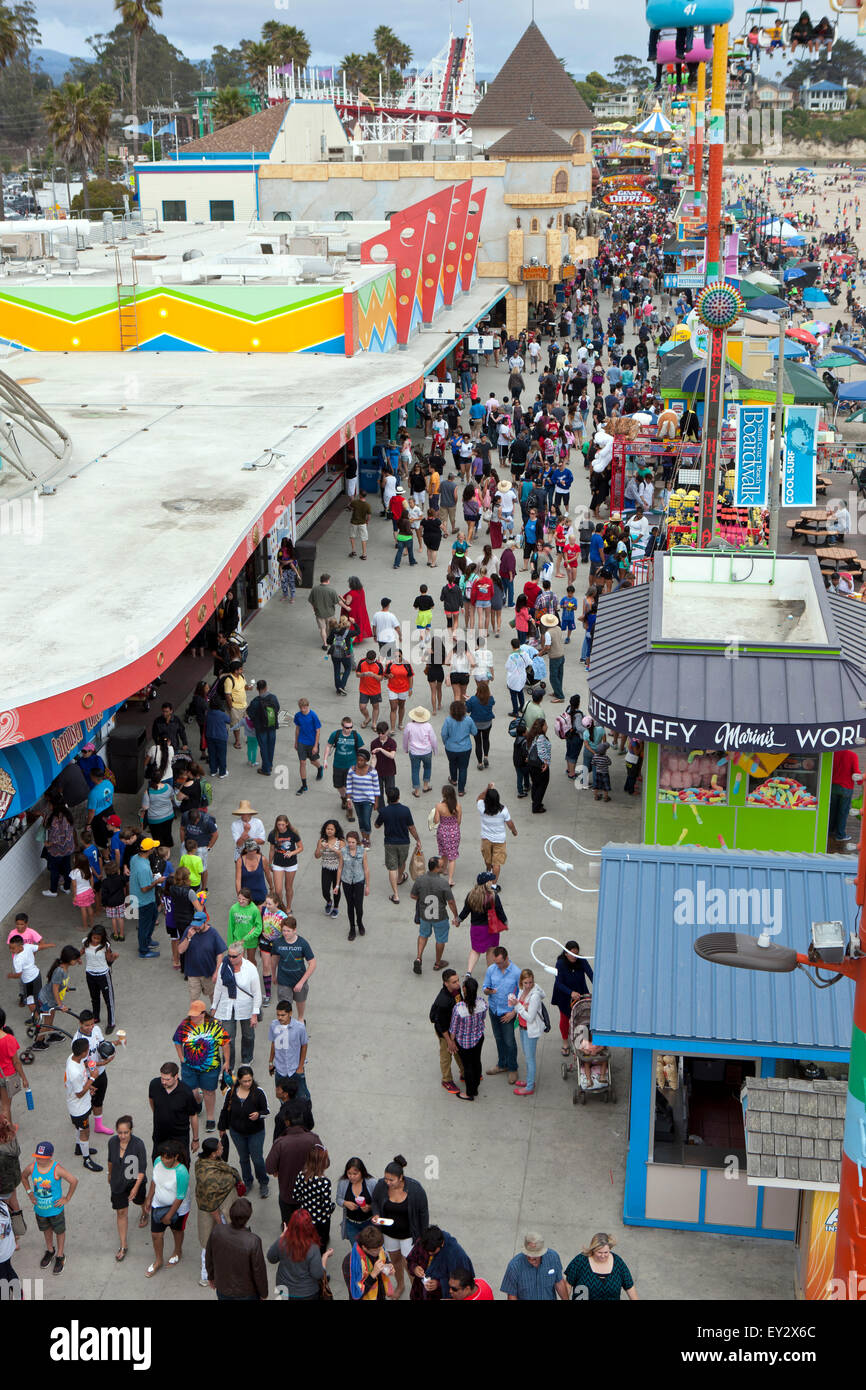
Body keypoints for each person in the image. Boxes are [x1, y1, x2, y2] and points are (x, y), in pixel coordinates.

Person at [370, 1156, 430, 1299]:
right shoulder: (381, 1185)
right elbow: (375, 1202)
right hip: (389, 1233)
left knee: (410, 1265)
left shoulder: (415, 1189)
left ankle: (415, 1291)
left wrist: (422, 1236)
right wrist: (376, 1214)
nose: (388, 1182)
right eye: (386, 1179)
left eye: (391, 1180)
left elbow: (423, 1213)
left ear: (401, 1177)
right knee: (395, 1260)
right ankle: (400, 1285)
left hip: (409, 1235)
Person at [21, 1140, 78, 1277]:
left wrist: (67, 1198)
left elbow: (73, 1181)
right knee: (46, 1229)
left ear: (50, 1156)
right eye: (37, 1157)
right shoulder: (31, 1167)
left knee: (59, 1231)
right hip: (40, 1209)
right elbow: (23, 1177)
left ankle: (60, 1255)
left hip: (55, 1210)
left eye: (43, 1158)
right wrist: (29, 1193)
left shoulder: (56, 1169)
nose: (39, 1160)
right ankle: (50, 1250)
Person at [173, 999, 230, 1132]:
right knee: (191, 1092)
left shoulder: (215, 1025)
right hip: (189, 1067)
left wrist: (227, 1061)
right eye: (191, 1014)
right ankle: (198, 1102)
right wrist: (181, 1058)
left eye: (195, 1014)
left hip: (210, 1068)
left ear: (203, 1013)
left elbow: (225, 1043)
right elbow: (177, 1040)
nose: (192, 1016)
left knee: (209, 1092)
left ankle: (210, 1117)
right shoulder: (185, 1025)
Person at [194, 1138, 242, 1286]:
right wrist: (221, 1223)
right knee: (209, 1245)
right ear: (213, 1154)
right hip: (215, 1213)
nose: (222, 1149)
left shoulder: (205, 1163)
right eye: (220, 1148)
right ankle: (206, 1275)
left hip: (222, 1208)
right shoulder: (208, 1177)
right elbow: (211, 1204)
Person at [218, 1066, 270, 1200]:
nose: (247, 1084)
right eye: (244, 1081)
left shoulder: (258, 1093)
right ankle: (247, 1182)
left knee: (257, 1159)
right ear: (239, 1080)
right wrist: (222, 1128)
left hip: (256, 1133)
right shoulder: (231, 1092)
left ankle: (263, 1182)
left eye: (250, 1080)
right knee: (243, 1158)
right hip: (237, 1133)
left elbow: (267, 1111)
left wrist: (259, 1114)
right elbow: (225, 1111)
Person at [205, 1195, 268, 1301]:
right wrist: (263, 1293)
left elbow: (209, 1257)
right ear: (248, 1217)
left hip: (223, 1288)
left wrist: (211, 1277)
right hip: (247, 1293)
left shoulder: (217, 1231)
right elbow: (259, 1271)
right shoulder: (253, 1241)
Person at [265, 1112, 322, 1227]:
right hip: (310, 1192)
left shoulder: (280, 1143)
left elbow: (269, 1168)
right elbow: (326, 1162)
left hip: (287, 1193)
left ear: (287, 1123)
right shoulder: (313, 1139)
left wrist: (277, 1169)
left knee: (289, 1225)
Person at [144, 1141, 191, 1277]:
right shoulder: (158, 1161)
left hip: (178, 1209)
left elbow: (180, 1196)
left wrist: (169, 1215)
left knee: (177, 1230)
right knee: (156, 1235)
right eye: (163, 1156)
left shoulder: (182, 1172)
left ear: (176, 1156)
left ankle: (177, 1251)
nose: (164, 1160)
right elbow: (154, 1180)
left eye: (168, 1158)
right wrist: (149, 1198)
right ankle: (158, 1260)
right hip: (158, 1204)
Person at [212, 943, 262, 1070]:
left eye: (234, 956)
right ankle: (229, 1065)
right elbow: (218, 988)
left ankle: (246, 1059)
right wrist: (214, 1008)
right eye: (229, 955)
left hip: (246, 1007)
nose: (230, 959)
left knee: (248, 1035)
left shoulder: (250, 968)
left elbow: (257, 993)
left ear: (241, 954)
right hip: (227, 1006)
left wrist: (254, 1014)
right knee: (228, 1039)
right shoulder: (224, 966)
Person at [106, 1115, 148, 1262]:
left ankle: (144, 1212)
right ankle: (123, 1245)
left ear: (131, 1131)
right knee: (121, 1212)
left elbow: (142, 1169)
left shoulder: (138, 1144)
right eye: (119, 1132)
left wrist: (135, 1188)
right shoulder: (112, 1142)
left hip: (135, 1182)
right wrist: (109, 1174)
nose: (122, 1136)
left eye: (125, 1132)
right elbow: (110, 1160)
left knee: (141, 1201)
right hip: (118, 1183)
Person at [269, 1208, 333, 1300]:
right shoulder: (313, 1248)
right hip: (307, 1293)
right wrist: (325, 1257)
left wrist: (282, 1236)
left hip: (284, 1289)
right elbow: (317, 1274)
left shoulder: (283, 1241)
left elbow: (271, 1258)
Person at [411, 855, 458, 975]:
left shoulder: (420, 879)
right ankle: (438, 963)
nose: (443, 866)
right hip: (440, 916)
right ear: (437, 868)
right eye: (442, 865)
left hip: (424, 915)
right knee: (440, 939)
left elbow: (413, 895)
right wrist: (456, 915)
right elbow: (451, 902)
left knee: (423, 935)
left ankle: (418, 957)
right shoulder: (443, 883)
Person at [73, 1008, 115, 1137]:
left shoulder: (96, 1029)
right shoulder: (78, 1040)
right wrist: (102, 1063)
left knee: (99, 1100)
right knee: (85, 1101)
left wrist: (109, 1050)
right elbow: (83, 1062)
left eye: (92, 1024)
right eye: (87, 1025)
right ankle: (79, 1122)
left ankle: (98, 1125)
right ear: (80, 1023)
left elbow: (102, 1044)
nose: (90, 1027)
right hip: (89, 1077)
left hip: (101, 1073)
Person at [376, 786, 422, 902]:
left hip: (390, 843)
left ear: (387, 797)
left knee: (392, 867)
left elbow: (377, 825)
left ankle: (396, 895)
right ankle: (400, 878)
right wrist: (417, 839)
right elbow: (411, 827)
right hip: (404, 842)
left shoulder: (384, 811)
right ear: (399, 797)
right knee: (402, 862)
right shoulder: (405, 810)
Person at [148, 1061, 200, 1164]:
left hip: (179, 1135)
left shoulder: (186, 1092)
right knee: (157, 1161)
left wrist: (195, 1139)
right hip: (160, 1134)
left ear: (176, 1076)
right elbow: (152, 1101)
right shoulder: (154, 1084)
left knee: (182, 1162)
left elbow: (193, 1116)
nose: (163, 1082)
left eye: (167, 1079)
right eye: (162, 1078)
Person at [64, 1038, 103, 1172]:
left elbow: (81, 1083)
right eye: (87, 1050)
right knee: (85, 1131)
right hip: (78, 1108)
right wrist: (93, 1078)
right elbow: (79, 1093)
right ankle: (86, 1159)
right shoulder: (73, 1072)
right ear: (83, 1053)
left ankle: (78, 1148)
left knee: (79, 1128)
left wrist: (89, 1085)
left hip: (82, 1104)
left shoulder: (73, 1058)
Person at [483, 945, 521, 1084]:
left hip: (508, 1013)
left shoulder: (517, 973)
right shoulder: (491, 970)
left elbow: (522, 995)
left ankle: (512, 1068)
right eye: (495, 962)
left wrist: (513, 1013)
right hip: (494, 1010)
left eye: (499, 962)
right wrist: (488, 991)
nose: (497, 965)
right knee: (499, 1038)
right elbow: (485, 987)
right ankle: (502, 1064)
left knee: (509, 1041)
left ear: (506, 958)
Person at [32, 946, 81, 1050]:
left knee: (50, 1020)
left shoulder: (63, 967)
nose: (77, 961)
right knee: (47, 1023)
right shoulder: (60, 971)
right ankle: (38, 1042)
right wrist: (61, 1005)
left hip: (50, 1000)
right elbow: (55, 989)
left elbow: (58, 984)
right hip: (47, 1001)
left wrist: (64, 987)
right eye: (75, 959)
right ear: (69, 959)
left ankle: (51, 1034)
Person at [448, 975, 488, 1102]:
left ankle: (469, 1093)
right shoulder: (482, 1003)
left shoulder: (459, 1008)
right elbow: (482, 1019)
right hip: (478, 1038)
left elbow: (453, 1029)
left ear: (464, 989)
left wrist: (451, 1041)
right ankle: (475, 1086)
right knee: (477, 1062)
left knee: (468, 1066)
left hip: (464, 1042)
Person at [564, 1232, 638, 1301]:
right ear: (593, 1250)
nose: (603, 1256)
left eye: (606, 1252)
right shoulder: (580, 1261)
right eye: (599, 1252)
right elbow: (568, 1285)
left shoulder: (618, 1263)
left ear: (610, 1249)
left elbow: (630, 1287)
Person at [269, 916, 316, 1021]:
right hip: (283, 980)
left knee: (300, 1000)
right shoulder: (278, 943)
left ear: (295, 930)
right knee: (284, 1005)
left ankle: (300, 1018)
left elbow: (312, 964)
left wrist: (301, 982)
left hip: (299, 979)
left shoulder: (302, 943)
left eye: (288, 931)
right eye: (283, 930)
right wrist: (273, 975)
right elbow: (274, 960)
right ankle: (287, 1023)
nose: (285, 933)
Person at [459, 872, 507, 975]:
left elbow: (465, 911)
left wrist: (459, 920)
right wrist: (505, 922)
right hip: (491, 927)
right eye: (490, 880)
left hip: (476, 928)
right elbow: (500, 911)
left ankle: (469, 972)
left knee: (475, 950)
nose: (492, 882)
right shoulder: (493, 896)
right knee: (491, 949)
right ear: (486, 883)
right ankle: (490, 972)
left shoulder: (471, 895)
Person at [510, 967, 546, 1097]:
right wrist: (517, 1003)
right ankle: (529, 1081)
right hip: (522, 1027)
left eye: (530, 982)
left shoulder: (535, 996)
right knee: (527, 1055)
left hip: (530, 1029)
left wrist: (518, 1006)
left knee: (530, 1059)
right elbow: (520, 1006)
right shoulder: (522, 991)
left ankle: (529, 1086)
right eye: (526, 983)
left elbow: (530, 1018)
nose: (528, 985)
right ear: (521, 982)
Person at [412, 1225, 475, 1300]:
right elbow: (411, 1259)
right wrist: (414, 1268)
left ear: (441, 1244)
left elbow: (462, 1284)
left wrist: (439, 1284)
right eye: (427, 1250)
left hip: (439, 1295)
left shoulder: (456, 1255)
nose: (429, 1253)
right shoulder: (424, 1241)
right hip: (418, 1291)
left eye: (433, 1251)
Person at [177, 910, 226, 1006]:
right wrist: (188, 938)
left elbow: (220, 953)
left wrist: (216, 971)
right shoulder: (189, 931)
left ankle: (215, 1015)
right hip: (193, 973)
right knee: (194, 999)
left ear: (205, 922)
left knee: (213, 996)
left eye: (199, 924)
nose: (196, 927)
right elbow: (180, 950)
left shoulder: (213, 933)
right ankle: (195, 1018)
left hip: (208, 973)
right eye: (194, 924)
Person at [501, 1233, 569, 1301]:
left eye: (535, 1255)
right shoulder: (514, 1266)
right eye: (528, 1253)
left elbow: (559, 1282)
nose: (531, 1258)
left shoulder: (553, 1258)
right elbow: (512, 1295)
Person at [552, 941, 593, 1052]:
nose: (574, 957)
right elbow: (558, 983)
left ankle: (581, 1041)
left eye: (576, 954)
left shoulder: (582, 960)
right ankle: (565, 1042)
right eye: (572, 954)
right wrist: (570, 993)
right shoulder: (560, 964)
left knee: (582, 1017)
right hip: (564, 995)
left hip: (580, 993)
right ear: (566, 953)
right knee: (565, 1018)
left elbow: (591, 975)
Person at [292, 1143, 335, 1246]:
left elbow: (296, 1196)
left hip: (305, 1217)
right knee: (320, 1244)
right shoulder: (324, 1182)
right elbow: (326, 1207)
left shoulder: (301, 1175)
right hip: (320, 1220)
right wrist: (332, 1207)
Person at [129, 836, 164, 959]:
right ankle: (143, 950)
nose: (154, 849)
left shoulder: (135, 858)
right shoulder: (143, 868)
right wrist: (156, 881)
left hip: (142, 898)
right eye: (153, 847)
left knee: (153, 917)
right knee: (144, 925)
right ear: (149, 850)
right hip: (144, 900)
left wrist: (151, 876)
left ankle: (148, 941)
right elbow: (144, 888)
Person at [268, 997, 309, 1104]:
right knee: (282, 1097)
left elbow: (304, 1046)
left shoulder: (299, 1027)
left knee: (302, 1097)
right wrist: (270, 1062)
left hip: (295, 1069)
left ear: (290, 1013)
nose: (280, 1018)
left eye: (283, 1015)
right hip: (280, 1070)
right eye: (278, 1015)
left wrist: (300, 1067)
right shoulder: (274, 1025)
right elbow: (273, 1043)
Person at [324, 715, 365, 819]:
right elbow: (328, 745)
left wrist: (362, 764)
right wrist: (325, 760)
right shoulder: (336, 734)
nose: (349, 729)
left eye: (351, 727)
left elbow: (361, 749)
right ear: (342, 726)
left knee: (349, 788)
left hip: (351, 766)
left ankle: (349, 809)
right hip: (338, 765)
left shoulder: (355, 736)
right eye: (347, 727)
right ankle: (343, 798)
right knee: (338, 785)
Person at [475, 784, 517, 881]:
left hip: (486, 838)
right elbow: (510, 823)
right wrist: (514, 831)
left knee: (487, 859)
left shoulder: (482, 807)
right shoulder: (503, 810)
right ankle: (494, 885)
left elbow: (479, 798)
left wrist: (487, 789)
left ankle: (488, 871)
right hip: (499, 840)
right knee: (496, 863)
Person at [346, 1222, 394, 1300]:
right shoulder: (350, 1262)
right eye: (375, 1251)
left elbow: (385, 1259)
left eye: (380, 1248)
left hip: (380, 1294)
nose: (379, 1252)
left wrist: (389, 1265)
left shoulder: (378, 1247)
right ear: (364, 1247)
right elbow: (356, 1294)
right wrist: (373, 1274)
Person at [336, 830, 370, 940]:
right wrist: (337, 885)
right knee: (350, 905)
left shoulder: (362, 851)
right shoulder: (343, 851)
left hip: (359, 881)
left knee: (359, 907)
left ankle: (359, 923)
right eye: (349, 842)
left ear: (357, 842)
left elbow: (366, 869)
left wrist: (367, 886)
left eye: (353, 842)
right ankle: (352, 928)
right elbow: (340, 868)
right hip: (346, 881)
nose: (350, 844)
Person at [336, 1156, 377, 1247]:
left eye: (355, 1174)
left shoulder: (371, 1182)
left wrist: (369, 1207)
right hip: (351, 1224)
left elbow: (378, 1202)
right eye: (349, 1173)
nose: (352, 1177)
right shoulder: (343, 1182)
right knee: (357, 1250)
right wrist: (345, 1203)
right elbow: (338, 1199)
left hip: (368, 1224)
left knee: (370, 1248)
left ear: (361, 1172)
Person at [267, 814, 303, 914]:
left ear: (287, 823)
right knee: (278, 890)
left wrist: (292, 853)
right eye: (279, 824)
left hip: (291, 864)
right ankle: (281, 908)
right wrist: (270, 863)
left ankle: (288, 907)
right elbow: (271, 850)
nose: (281, 827)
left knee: (288, 887)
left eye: (283, 824)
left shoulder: (293, 833)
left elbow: (301, 847)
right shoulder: (273, 834)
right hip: (278, 863)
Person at [440, 701, 477, 797]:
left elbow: (444, 734)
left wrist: (446, 742)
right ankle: (461, 790)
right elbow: (475, 732)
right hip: (465, 748)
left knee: (452, 763)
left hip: (450, 747)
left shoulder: (448, 720)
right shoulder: (468, 719)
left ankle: (453, 779)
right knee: (463, 768)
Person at [344, 750, 380, 845]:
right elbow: (349, 785)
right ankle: (363, 838)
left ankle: (367, 839)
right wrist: (348, 799)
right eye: (358, 760)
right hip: (356, 799)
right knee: (360, 820)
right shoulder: (352, 770)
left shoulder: (372, 771)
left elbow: (376, 788)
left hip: (368, 800)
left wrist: (376, 802)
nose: (359, 762)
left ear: (366, 761)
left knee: (366, 820)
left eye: (361, 760)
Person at [246, 679, 280, 777]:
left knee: (263, 747)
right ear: (266, 687)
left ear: (257, 689)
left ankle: (266, 769)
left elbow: (250, 714)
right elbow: (277, 708)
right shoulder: (273, 698)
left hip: (261, 728)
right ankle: (269, 765)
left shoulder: (255, 701)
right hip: (272, 726)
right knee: (271, 746)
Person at [308, 573, 349, 648]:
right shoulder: (331, 590)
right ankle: (332, 641)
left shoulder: (315, 589)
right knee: (331, 628)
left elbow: (311, 601)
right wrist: (346, 607)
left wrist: (314, 609)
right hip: (330, 613)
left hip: (319, 613)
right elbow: (338, 602)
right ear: (327, 581)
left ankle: (325, 644)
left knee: (322, 629)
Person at [432, 783, 461, 887]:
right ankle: (450, 879)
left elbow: (436, 821)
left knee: (443, 852)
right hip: (454, 831)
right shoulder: (457, 806)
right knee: (452, 857)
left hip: (442, 831)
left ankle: (443, 870)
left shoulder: (439, 806)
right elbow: (458, 822)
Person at [526, 717, 552, 813]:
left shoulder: (533, 735)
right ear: (541, 727)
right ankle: (536, 806)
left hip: (532, 765)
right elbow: (541, 752)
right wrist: (546, 763)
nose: (547, 726)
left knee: (535, 784)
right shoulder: (541, 737)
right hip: (540, 766)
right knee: (542, 785)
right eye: (545, 725)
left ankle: (535, 801)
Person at [384, 650, 414, 732]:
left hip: (404, 689)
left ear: (402, 656)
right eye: (396, 656)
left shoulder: (406, 664)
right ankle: (392, 728)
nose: (397, 658)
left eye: (399, 656)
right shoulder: (390, 664)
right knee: (393, 708)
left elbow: (410, 677)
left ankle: (400, 723)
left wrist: (410, 688)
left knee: (401, 706)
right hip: (392, 689)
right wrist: (388, 675)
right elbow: (385, 675)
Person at [355, 650, 385, 730]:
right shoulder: (362, 662)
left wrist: (373, 675)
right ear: (366, 657)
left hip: (375, 690)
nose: (369, 662)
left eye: (371, 660)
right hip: (363, 689)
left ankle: (374, 723)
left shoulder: (379, 665)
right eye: (368, 660)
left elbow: (381, 678)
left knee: (375, 707)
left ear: (374, 659)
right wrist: (363, 674)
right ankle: (367, 718)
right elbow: (357, 674)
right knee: (362, 707)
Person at [348, 492, 372, 560]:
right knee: (364, 538)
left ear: (360, 495)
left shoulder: (354, 502)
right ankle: (364, 554)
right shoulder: (367, 505)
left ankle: (353, 551)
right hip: (362, 523)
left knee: (352, 536)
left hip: (354, 522)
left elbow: (350, 507)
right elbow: (369, 515)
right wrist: (367, 521)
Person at [277, 536, 300, 601]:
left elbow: (295, 557)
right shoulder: (281, 550)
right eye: (283, 543)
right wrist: (282, 562)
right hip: (284, 569)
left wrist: (287, 562)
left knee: (291, 583)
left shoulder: (293, 550)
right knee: (284, 583)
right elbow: (278, 559)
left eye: (285, 543)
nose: (284, 544)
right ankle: (285, 595)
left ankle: (292, 597)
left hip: (291, 569)